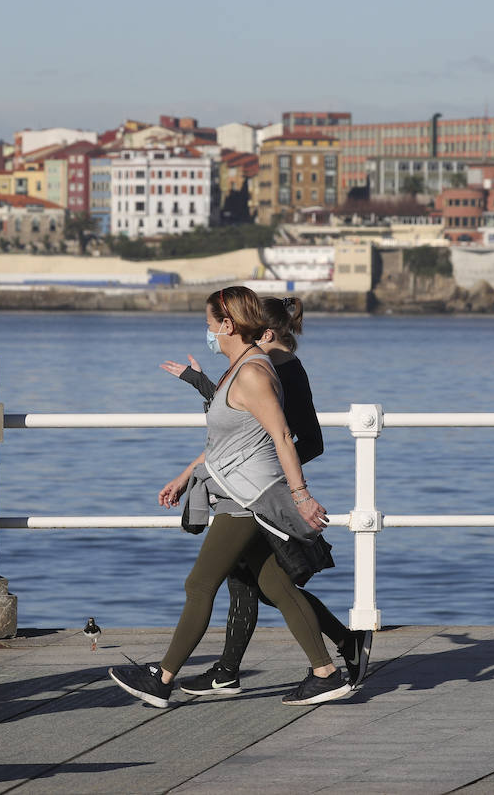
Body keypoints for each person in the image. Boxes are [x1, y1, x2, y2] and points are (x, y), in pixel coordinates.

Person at [109, 286, 353, 708]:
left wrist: (302, 496)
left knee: (200, 583)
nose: (208, 334)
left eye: (209, 326)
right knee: (275, 583)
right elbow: (232, 436)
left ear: (228, 325)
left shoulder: (255, 373)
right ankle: (326, 672)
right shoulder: (240, 368)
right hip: (238, 490)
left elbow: (281, 436)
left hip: (248, 496)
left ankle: (161, 679)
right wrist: (189, 474)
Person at [160, 296, 372, 695]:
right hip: (251, 487)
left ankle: (226, 671)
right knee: (262, 583)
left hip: (257, 493)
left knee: (243, 583)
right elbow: (237, 427)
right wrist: (200, 385)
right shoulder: (258, 366)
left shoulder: (276, 369)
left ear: (267, 331)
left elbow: (287, 437)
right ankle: (337, 647)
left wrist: (287, 488)